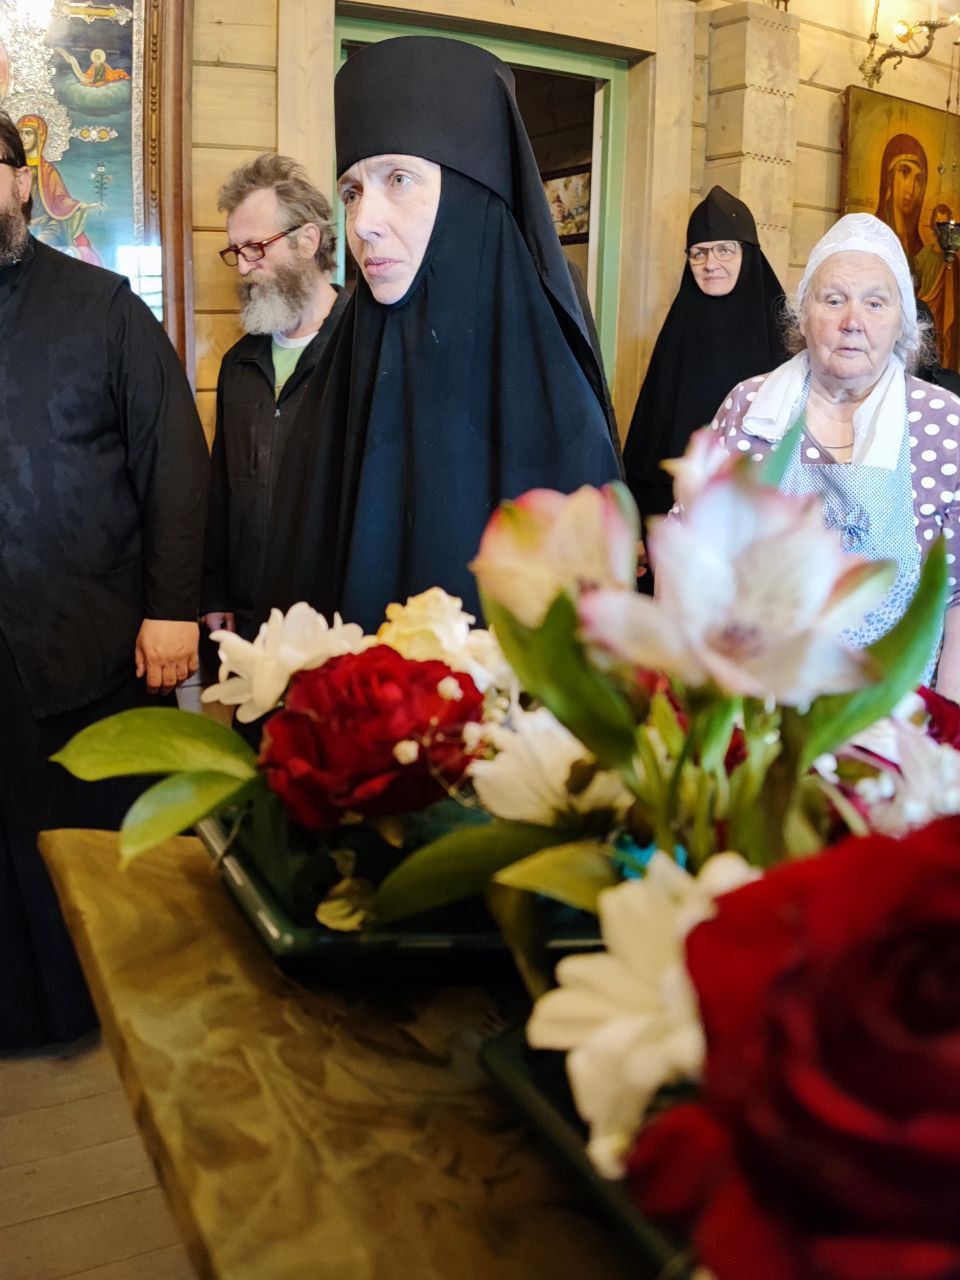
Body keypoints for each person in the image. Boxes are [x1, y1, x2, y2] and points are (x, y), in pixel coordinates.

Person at [257, 35, 622, 633]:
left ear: (472, 196)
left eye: (398, 179)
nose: (363, 223)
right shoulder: (332, 384)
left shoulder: (558, 411)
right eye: (352, 192)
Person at [0, 110, 209, 1047]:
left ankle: (118, 1005)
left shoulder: (105, 306)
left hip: (92, 642)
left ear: (22, 178)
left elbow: (176, 465)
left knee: (99, 838)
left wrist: (173, 612)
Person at [708, 213, 960, 697]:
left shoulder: (944, 422)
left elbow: (958, 595)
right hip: (752, 700)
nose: (852, 322)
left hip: (890, 712)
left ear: (903, 324)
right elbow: (693, 554)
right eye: (833, 299)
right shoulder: (749, 408)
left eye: (875, 303)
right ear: (802, 316)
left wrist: (945, 722)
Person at [201, 154, 349, 642]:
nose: (244, 267)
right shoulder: (238, 364)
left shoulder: (364, 348)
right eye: (236, 251)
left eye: (256, 248)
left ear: (308, 241)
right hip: (252, 620)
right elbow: (223, 488)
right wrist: (214, 591)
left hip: (340, 620)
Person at [623, 186, 787, 525]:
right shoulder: (677, 330)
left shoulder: (784, 335)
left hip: (758, 510)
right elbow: (650, 437)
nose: (710, 264)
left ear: (748, 253)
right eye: (698, 253)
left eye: (724, 250)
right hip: (675, 514)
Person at [17, 113, 102, 265]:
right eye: (20, 133)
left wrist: (79, 205)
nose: (23, 138)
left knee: (41, 246)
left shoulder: (47, 170)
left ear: (39, 137)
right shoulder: (11, 171)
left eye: (28, 133)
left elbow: (60, 198)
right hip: (18, 223)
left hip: (48, 225)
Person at [873, 133, 927, 271]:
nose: (911, 189)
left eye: (918, 180)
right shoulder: (874, 235)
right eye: (904, 172)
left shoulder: (920, 250)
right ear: (889, 177)